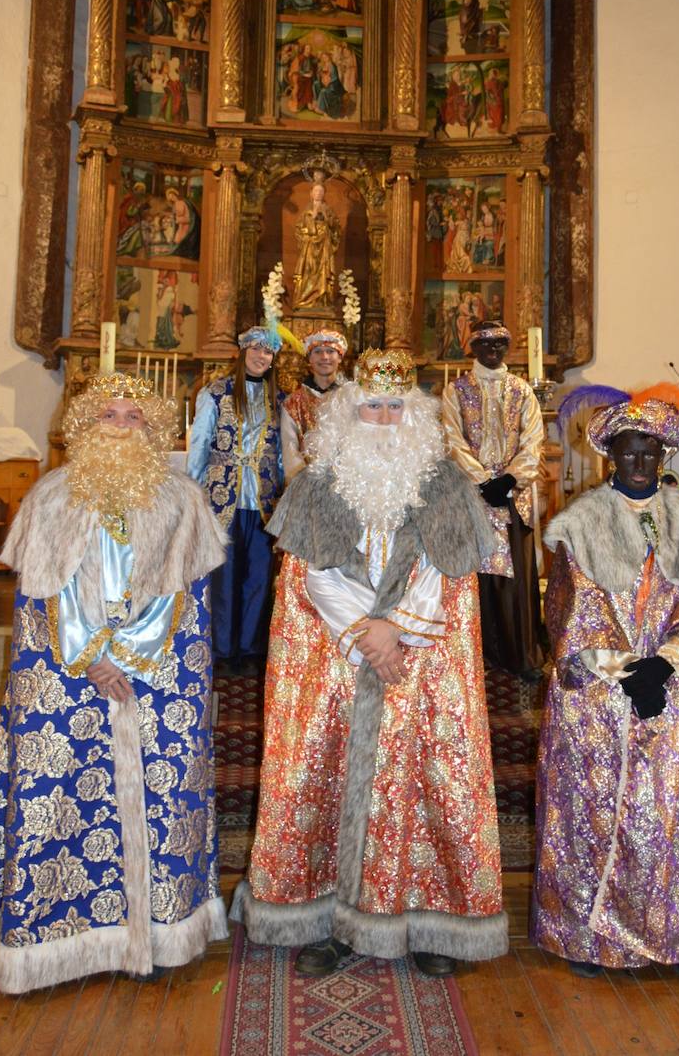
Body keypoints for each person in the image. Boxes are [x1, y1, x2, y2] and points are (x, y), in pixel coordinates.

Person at [231, 350, 508, 978]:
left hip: (422, 661)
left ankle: (432, 920)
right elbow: (310, 574)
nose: (382, 420)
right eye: (370, 407)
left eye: (394, 408)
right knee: (327, 781)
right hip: (337, 659)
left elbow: (451, 570)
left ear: (413, 416)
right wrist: (368, 635)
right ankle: (333, 920)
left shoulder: (446, 483)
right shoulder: (317, 483)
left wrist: (398, 631)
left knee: (426, 783)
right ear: (349, 414)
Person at [0, 372, 229, 992]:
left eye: (135, 418)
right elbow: (41, 593)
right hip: (64, 675)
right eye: (110, 416)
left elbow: (186, 593)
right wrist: (90, 657)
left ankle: (162, 929)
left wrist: (128, 654)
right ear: (86, 426)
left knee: (165, 792)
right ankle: (56, 937)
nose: (122, 428)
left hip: (157, 677)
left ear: (153, 429)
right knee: (60, 793)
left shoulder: (182, 498)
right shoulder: (51, 496)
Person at [532, 383, 679, 983]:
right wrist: (622, 669)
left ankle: (673, 938)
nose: (640, 462)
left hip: (674, 693)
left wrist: (667, 663)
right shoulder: (577, 525)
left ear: (664, 455)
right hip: (598, 695)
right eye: (629, 452)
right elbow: (568, 612)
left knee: (671, 818)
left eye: (650, 452)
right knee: (594, 815)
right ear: (611, 456)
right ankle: (585, 935)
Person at [442, 320, 545, 677]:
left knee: (514, 578)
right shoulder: (456, 391)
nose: (493, 350)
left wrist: (511, 478)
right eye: (485, 344)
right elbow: (451, 438)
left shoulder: (521, 390)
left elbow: (533, 439)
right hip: (472, 497)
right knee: (475, 579)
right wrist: (483, 480)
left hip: (513, 497)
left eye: (500, 343)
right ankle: (473, 658)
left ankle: (519, 654)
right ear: (472, 348)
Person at [188, 326, 285, 666]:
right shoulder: (217, 393)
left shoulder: (279, 398)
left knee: (258, 576)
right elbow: (200, 443)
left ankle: (250, 648)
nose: (261, 357)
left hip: (263, 500)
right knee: (225, 575)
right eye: (256, 349)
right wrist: (193, 490)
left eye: (268, 352)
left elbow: (284, 452)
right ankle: (223, 648)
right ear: (243, 352)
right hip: (222, 494)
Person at [281, 328, 347, 482]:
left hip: (345, 483)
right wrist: (304, 484)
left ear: (340, 357)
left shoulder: (351, 398)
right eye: (317, 351)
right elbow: (290, 449)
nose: (324, 357)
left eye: (330, 351)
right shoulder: (292, 402)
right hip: (306, 485)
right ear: (309, 359)